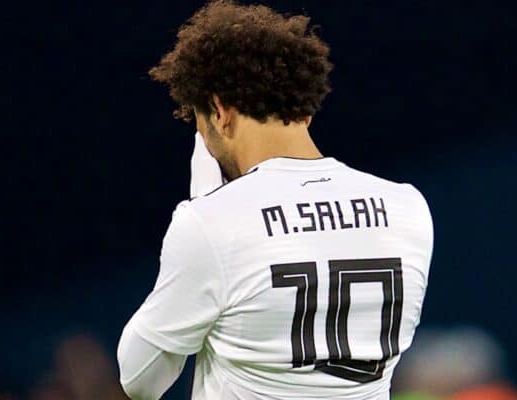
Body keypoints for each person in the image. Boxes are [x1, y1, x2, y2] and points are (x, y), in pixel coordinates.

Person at [116, 1, 433, 399]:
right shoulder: (409, 208)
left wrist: (208, 205)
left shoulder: (211, 222)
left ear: (219, 110)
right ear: (306, 112)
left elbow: (139, 380)